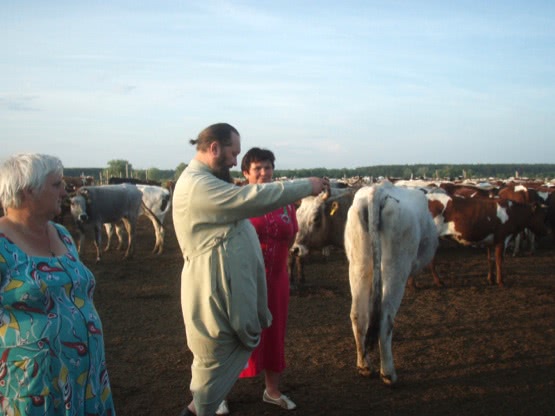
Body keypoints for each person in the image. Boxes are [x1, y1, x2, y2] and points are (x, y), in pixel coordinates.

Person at [172, 123, 329, 416]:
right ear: (214, 148)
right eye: (233, 154)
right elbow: (250, 199)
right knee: (212, 361)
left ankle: (226, 400)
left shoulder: (206, 181)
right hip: (212, 290)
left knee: (219, 358)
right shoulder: (197, 185)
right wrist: (306, 185)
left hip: (229, 287)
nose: (235, 162)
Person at [0, 153, 116, 415]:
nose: (65, 191)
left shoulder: (62, 234)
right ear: (29, 190)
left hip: (87, 380)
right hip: (33, 391)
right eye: (56, 184)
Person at [238, 148, 299, 410]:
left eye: (268, 167)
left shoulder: (285, 202)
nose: (264, 173)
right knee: (234, 335)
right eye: (258, 168)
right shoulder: (238, 201)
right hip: (244, 281)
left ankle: (272, 391)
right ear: (246, 173)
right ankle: (217, 394)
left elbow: (292, 235)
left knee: (275, 333)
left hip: (277, 280)